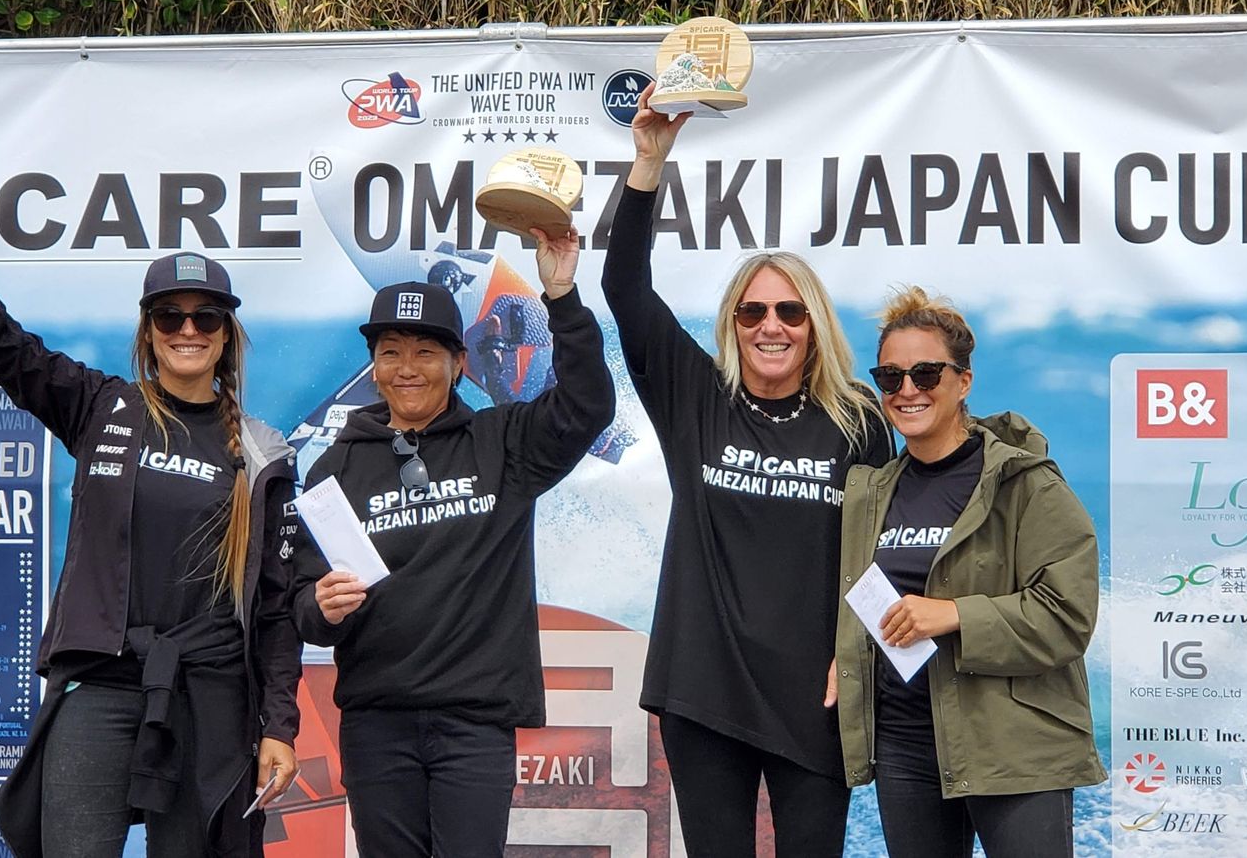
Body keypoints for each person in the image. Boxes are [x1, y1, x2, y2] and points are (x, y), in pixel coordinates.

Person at [0, 160, 302, 858]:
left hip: (208, 695)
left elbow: (275, 608)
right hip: (100, 681)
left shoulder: (262, 451)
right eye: (170, 315)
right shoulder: (101, 406)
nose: (189, 328)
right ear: (149, 330)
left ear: (226, 332)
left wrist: (279, 726)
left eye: (206, 315)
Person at [601, 84, 893, 856]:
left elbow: (881, 558)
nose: (772, 326)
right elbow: (625, 290)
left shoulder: (859, 421)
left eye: (790, 313)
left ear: (813, 326)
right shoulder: (697, 396)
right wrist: (648, 164)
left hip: (816, 696)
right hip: (705, 689)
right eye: (754, 312)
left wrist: (856, 652)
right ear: (734, 323)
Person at [291, 227, 614, 857]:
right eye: (390, 353)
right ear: (375, 368)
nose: (407, 368)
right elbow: (305, 604)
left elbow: (588, 406)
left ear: (458, 363)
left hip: (474, 725)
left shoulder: (504, 443)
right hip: (376, 725)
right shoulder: (335, 469)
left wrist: (562, 297)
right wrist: (319, 607)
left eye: (425, 351)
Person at [833, 286, 1106, 857]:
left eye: (927, 374)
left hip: (1014, 746)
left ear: (964, 381)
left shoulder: (1028, 485)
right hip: (906, 747)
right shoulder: (873, 492)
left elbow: (1067, 616)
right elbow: (863, 599)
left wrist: (954, 614)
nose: (908, 390)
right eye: (891, 377)